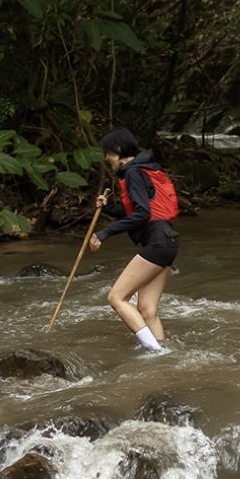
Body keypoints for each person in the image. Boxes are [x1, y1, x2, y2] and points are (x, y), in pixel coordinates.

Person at [88, 128, 179, 353]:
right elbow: (136, 211)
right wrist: (108, 208)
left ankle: (154, 351)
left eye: (107, 153)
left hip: (157, 242)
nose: (106, 158)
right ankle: (163, 353)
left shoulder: (133, 173)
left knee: (116, 298)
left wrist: (104, 233)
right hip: (168, 242)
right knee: (147, 310)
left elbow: (143, 214)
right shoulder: (144, 168)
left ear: (118, 150)